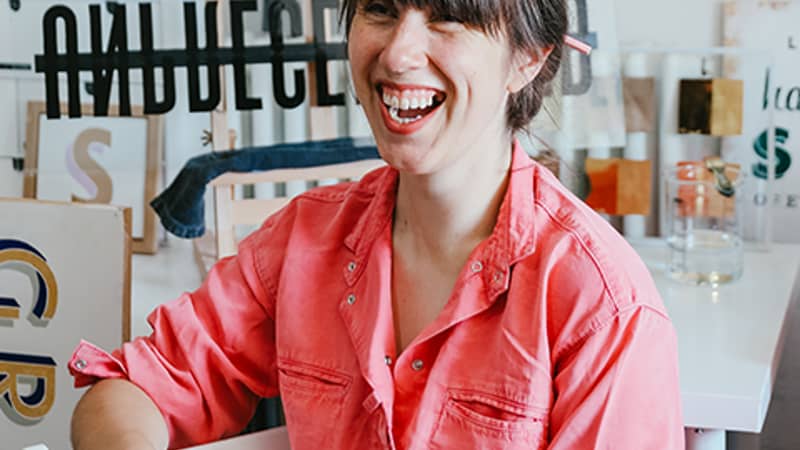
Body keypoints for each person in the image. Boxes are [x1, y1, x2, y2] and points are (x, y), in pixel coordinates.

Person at [70, 0, 684, 449]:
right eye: (381, 10)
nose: (396, 53)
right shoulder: (303, 242)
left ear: (528, 58)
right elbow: (133, 388)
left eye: (448, 15)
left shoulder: (602, 303)